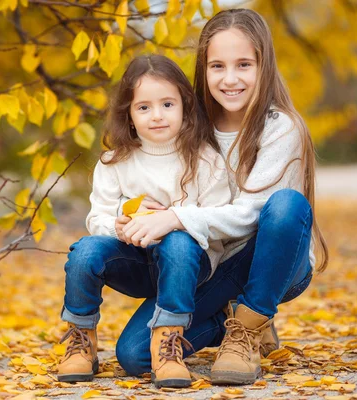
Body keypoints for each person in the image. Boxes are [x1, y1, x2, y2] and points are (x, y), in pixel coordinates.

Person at [115, 8, 329, 385]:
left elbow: (252, 212)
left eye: (243, 64)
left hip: (277, 262)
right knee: (134, 356)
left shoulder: (281, 127)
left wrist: (177, 218)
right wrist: (131, 212)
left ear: (263, 66)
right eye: (217, 66)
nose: (230, 79)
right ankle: (233, 315)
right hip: (215, 266)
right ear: (203, 69)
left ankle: (248, 325)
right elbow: (145, 168)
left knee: (286, 205)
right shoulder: (187, 122)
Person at [56, 55, 232, 388]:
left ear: (184, 105)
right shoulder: (114, 161)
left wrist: (174, 219)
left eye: (167, 104)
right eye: (144, 107)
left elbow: (219, 219)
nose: (157, 115)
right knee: (85, 251)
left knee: (178, 243)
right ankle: (81, 340)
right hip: (138, 261)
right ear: (129, 115)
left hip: (190, 266)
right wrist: (119, 225)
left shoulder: (205, 158)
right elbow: (98, 218)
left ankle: (169, 345)